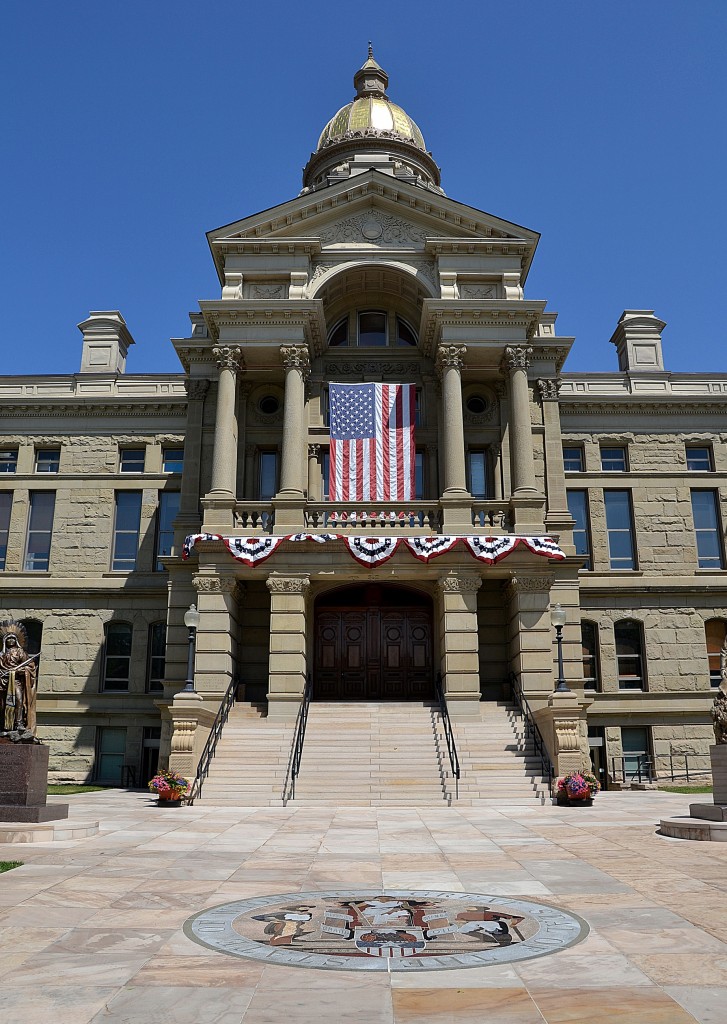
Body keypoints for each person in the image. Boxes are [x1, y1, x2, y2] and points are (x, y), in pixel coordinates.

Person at [0, 623, 38, 734]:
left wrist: (18, 671)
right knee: (2, 705)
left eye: (13, 638)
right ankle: (3, 726)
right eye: (8, 638)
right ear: (4, 641)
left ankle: (19, 724)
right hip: (2, 682)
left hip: (16, 681)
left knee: (18, 699)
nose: (11, 640)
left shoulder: (20, 652)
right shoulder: (1, 654)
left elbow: (30, 667)